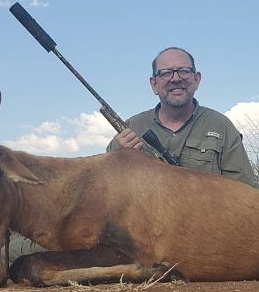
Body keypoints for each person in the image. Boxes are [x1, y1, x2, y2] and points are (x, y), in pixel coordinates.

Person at [107, 47, 257, 188]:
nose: (176, 78)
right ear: (154, 84)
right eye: (166, 73)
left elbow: (244, 192)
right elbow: (105, 188)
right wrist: (118, 158)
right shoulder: (131, 127)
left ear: (196, 79)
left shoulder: (221, 126)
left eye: (184, 71)